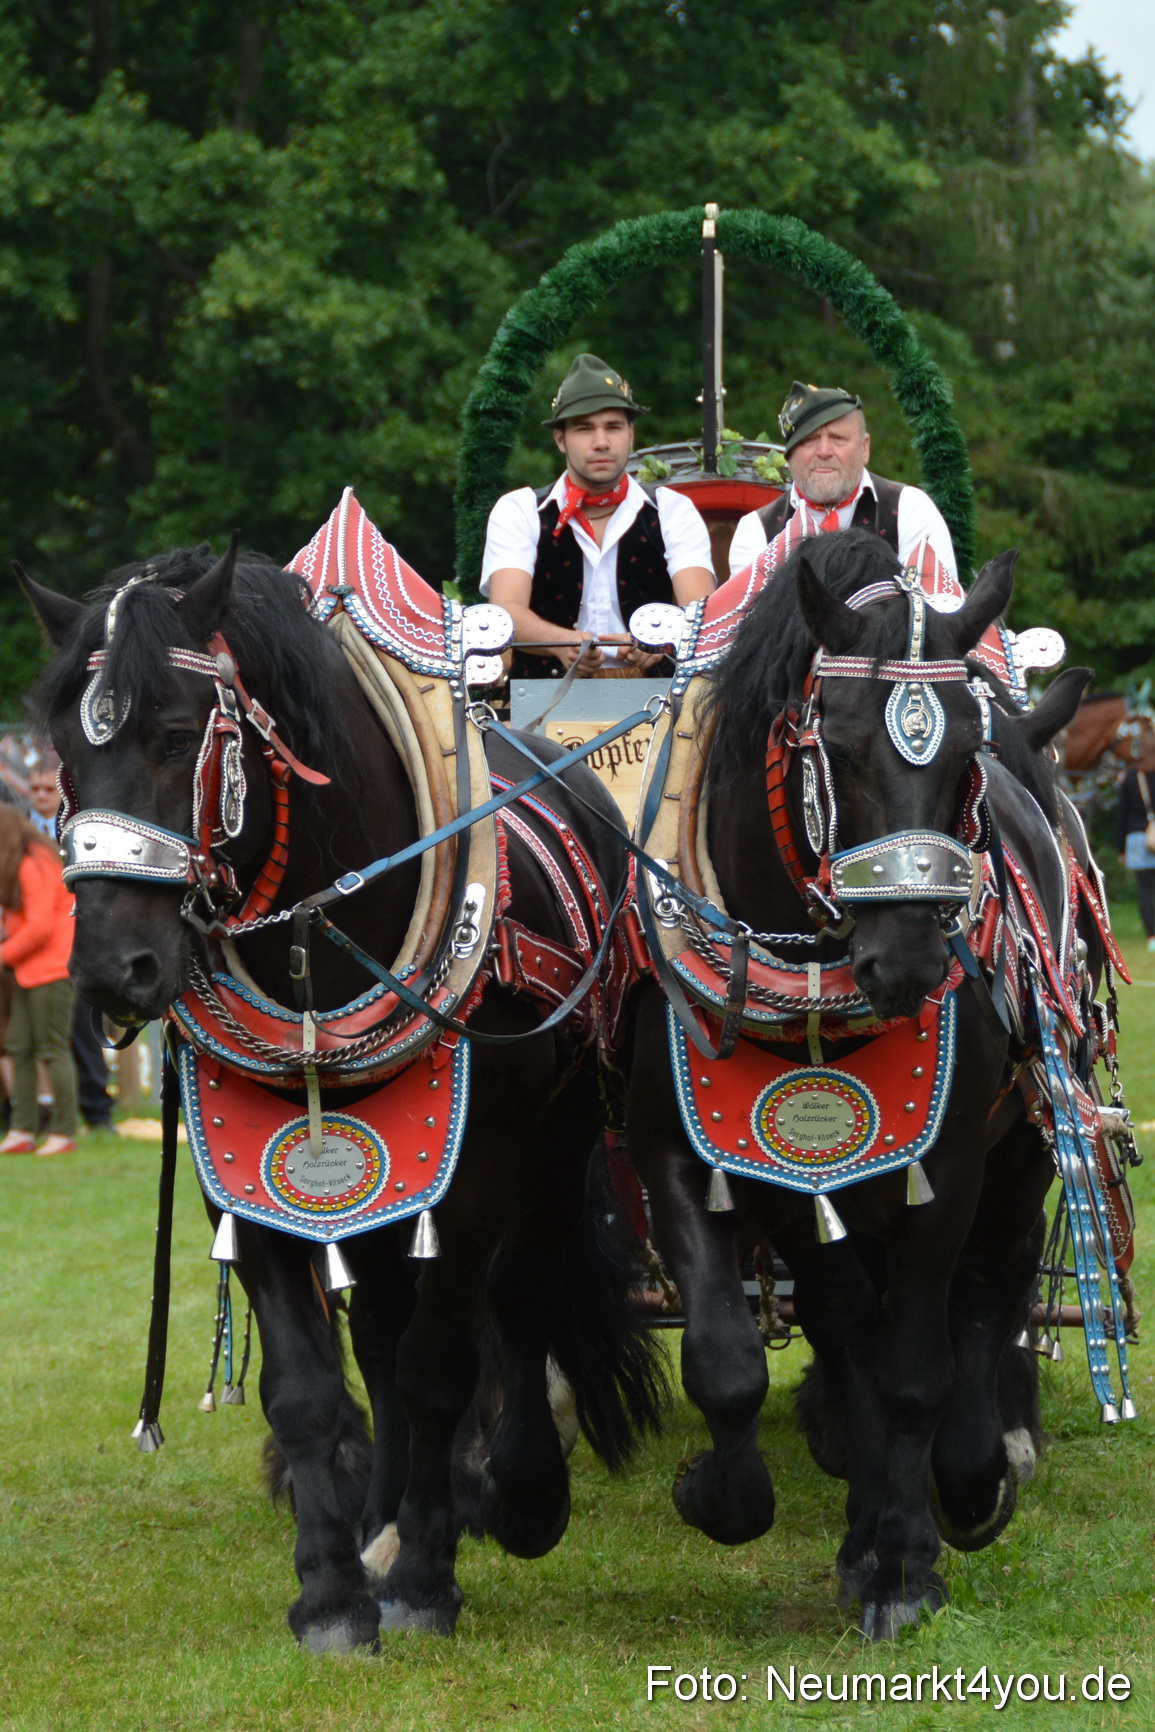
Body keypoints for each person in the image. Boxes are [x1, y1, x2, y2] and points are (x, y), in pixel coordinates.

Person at [482, 354, 715, 679]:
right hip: (540, 706)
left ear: (631, 434)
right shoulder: (520, 510)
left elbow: (702, 612)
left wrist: (662, 641)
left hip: (660, 707)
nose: (602, 442)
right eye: (584, 429)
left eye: (613, 427)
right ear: (560, 439)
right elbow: (505, 613)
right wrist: (562, 642)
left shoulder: (672, 510)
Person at [727, 381, 959, 579]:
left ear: (865, 448)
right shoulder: (756, 531)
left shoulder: (910, 510)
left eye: (838, 438)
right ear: (788, 455)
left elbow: (933, 613)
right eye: (809, 440)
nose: (824, 451)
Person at [26, 759, 115, 1132]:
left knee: (83, 1030)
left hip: (78, 943)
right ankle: (33, 1114)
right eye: (35, 789)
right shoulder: (17, 831)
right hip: (32, 949)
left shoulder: (77, 829)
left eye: (49, 789)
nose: (42, 796)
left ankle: (97, 1112)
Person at [0, 803, 78, 1154]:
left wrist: (3, 954)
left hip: (52, 970)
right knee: (19, 1047)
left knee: (52, 1051)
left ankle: (64, 1132)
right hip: (30, 971)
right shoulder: (26, 861)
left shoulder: (33, 863)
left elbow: (40, 927)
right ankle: (23, 1130)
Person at [1115, 744, 1155, 952]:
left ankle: (1152, 937)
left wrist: (1120, 847)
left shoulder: (1131, 776)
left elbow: (1122, 812)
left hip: (1138, 836)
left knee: (1146, 888)